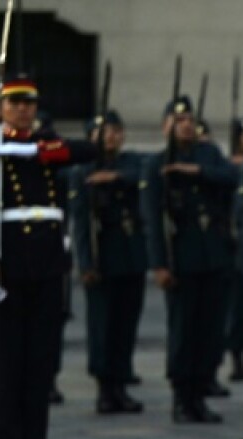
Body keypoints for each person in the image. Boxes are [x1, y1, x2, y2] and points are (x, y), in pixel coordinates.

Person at [0, 73, 96, 439]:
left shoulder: (43, 149)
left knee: (40, 367)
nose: (23, 109)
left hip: (46, 269)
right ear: (1, 108)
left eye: (29, 103)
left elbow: (88, 149)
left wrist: (35, 149)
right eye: (15, 103)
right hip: (8, 271)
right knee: (9, 368)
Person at [141, 94, 240, 424]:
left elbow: (232, 179)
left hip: (213, 256)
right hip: (180, 260)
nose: (185, 126)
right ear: (166, 125)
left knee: (210, 330)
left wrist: (195, 171)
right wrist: (159, 264)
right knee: (183, 331)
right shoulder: (156, 164)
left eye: (189, 120)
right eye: (178, 120)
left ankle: (200, 393)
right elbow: (151, 219)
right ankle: (182, 397)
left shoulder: (208, 154)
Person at [68, 110, 147, 415]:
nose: (110, 136)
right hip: (101, 259)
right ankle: (104, 387)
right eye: (102, 132)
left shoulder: (131, 163)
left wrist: (114, 177)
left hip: (129, 256)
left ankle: (121, 384)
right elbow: (80, 221)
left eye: (115, 130)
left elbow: (143, 176)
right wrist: (86, 263)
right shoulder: (82, 170)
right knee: (102, 326)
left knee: (126, 325)